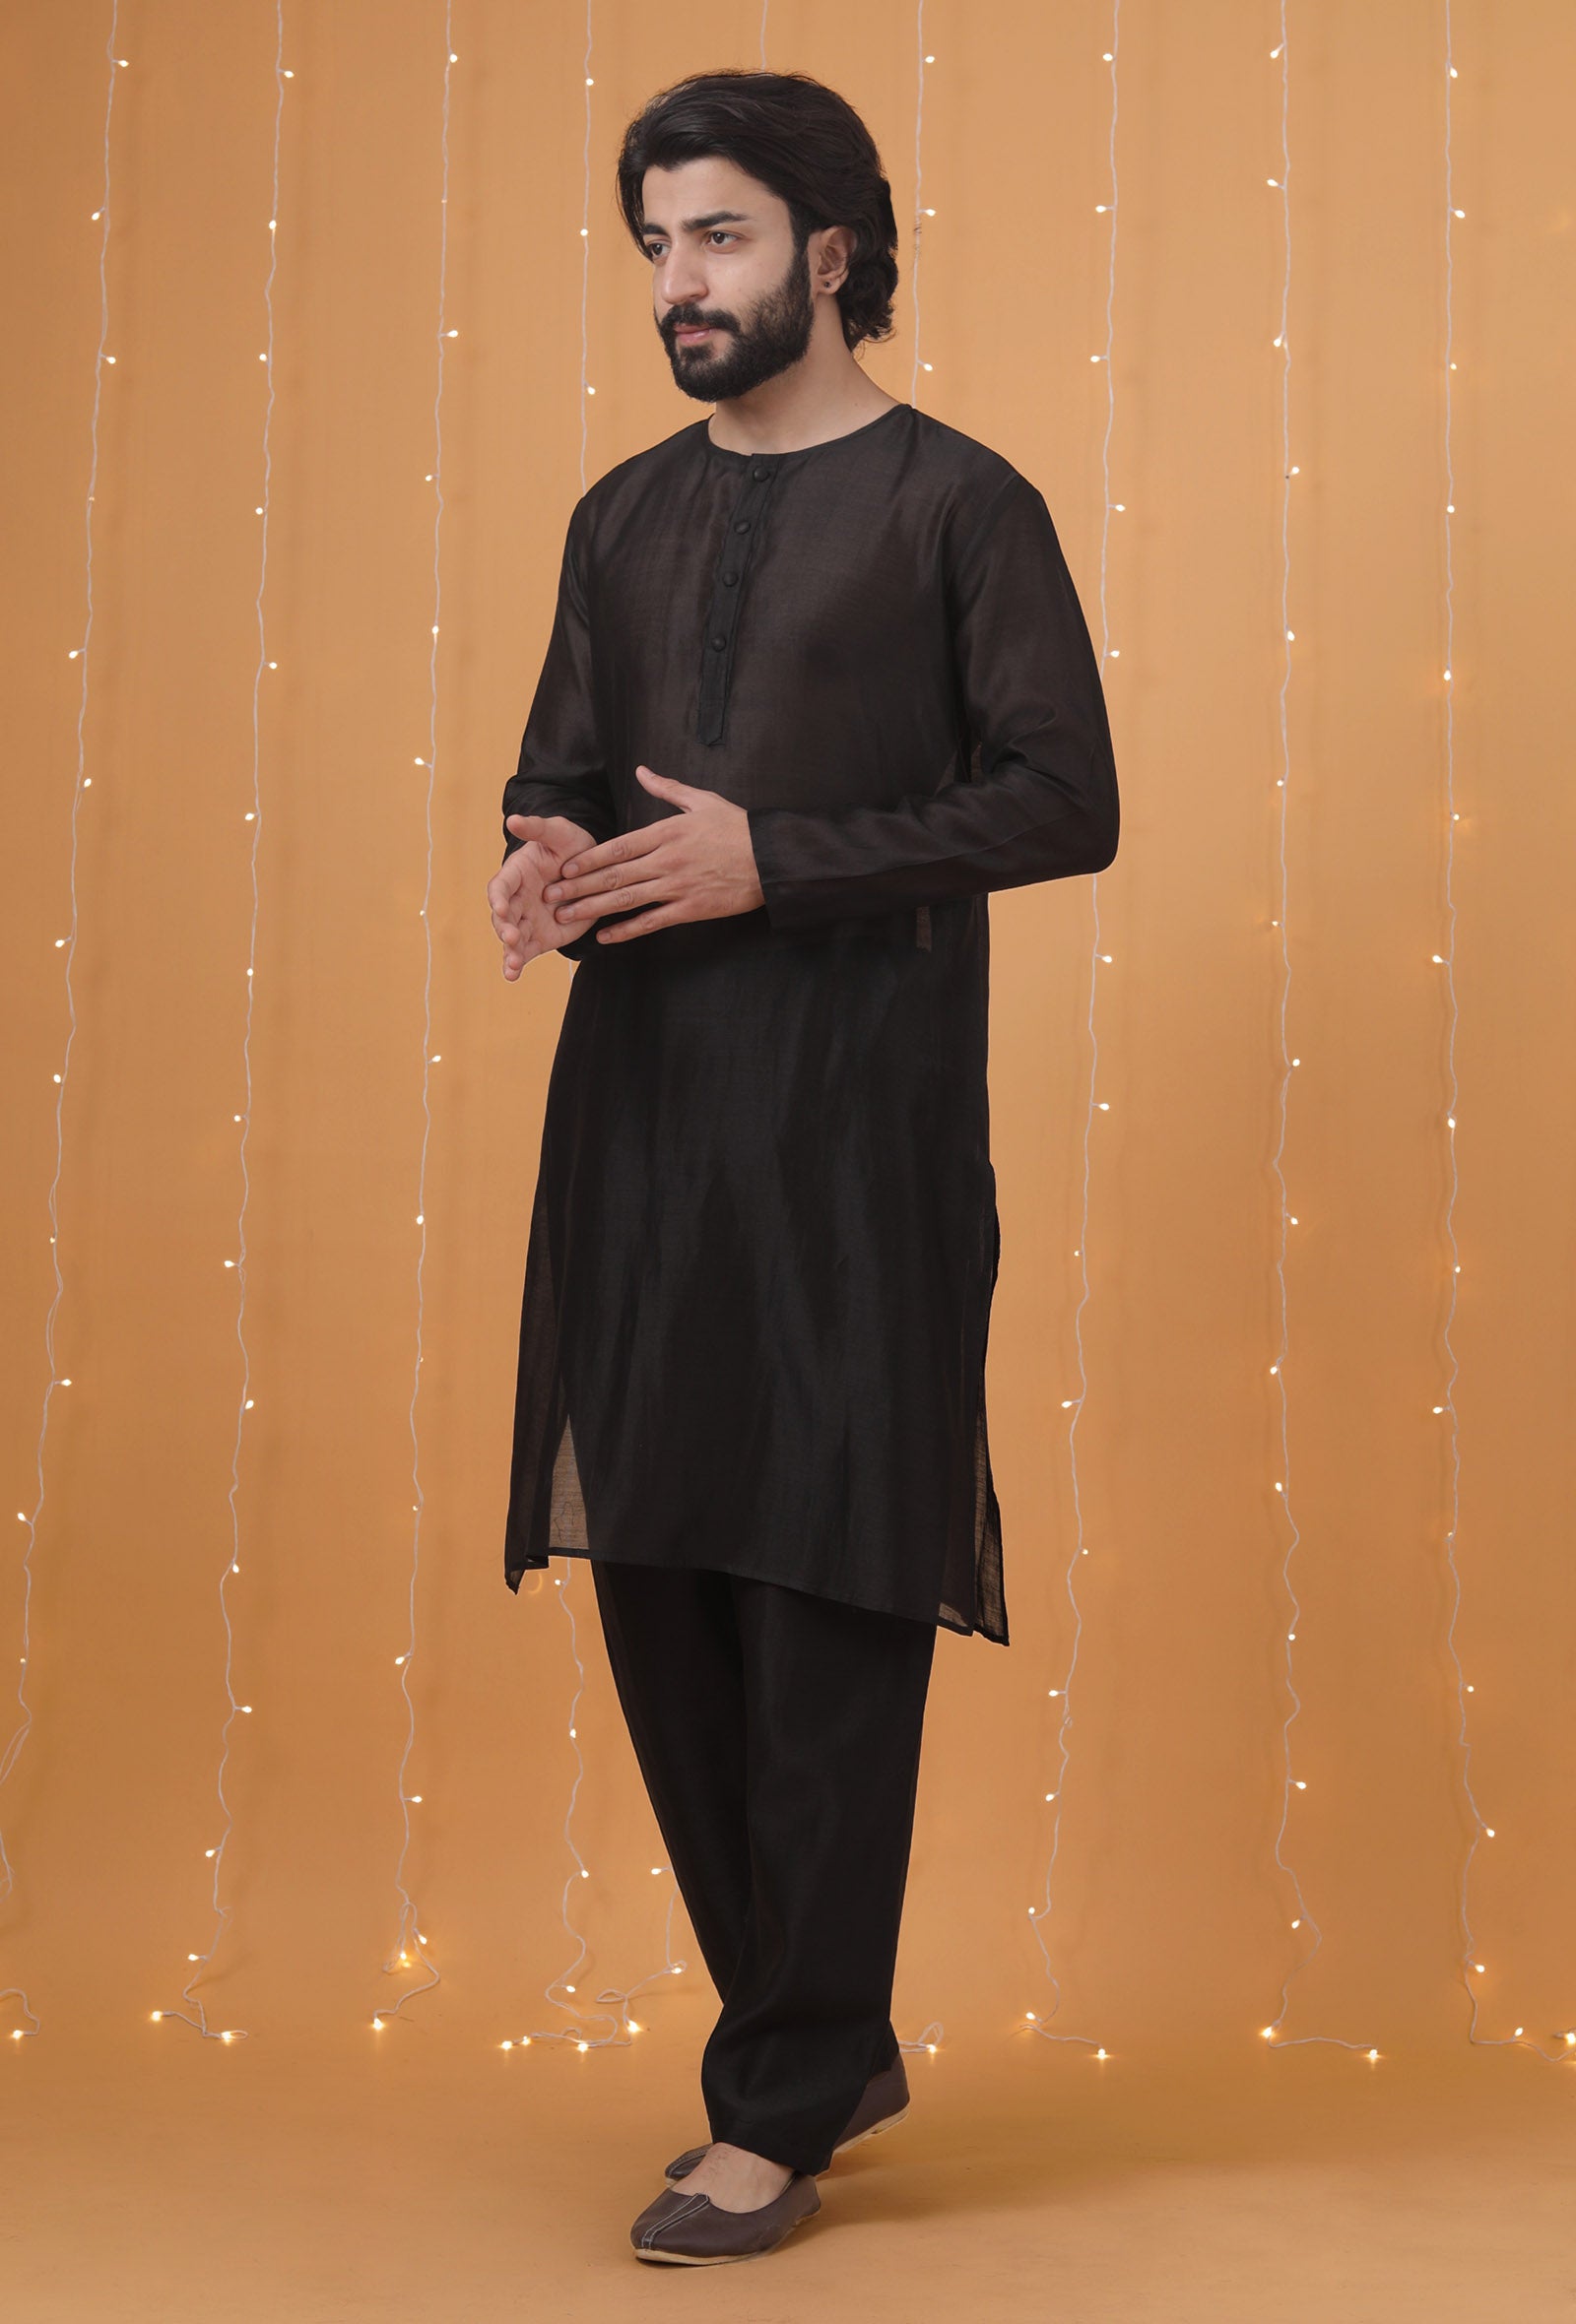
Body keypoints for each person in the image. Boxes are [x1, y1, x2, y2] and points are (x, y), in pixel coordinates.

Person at [486, 68, 1119, 2267]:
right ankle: (817, 2043)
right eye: (658, 242)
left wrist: (784, 860)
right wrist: (538, 856)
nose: (680, 281)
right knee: (657, 1571)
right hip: (643, 1126)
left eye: (722, 237)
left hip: (858, 1138)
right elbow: (567, 765)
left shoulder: (960, 507)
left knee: (829, 1587)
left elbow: (1064, 799)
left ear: (830, 249)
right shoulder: (621, 515)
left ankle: (774, 2098)